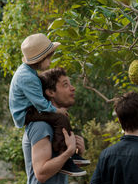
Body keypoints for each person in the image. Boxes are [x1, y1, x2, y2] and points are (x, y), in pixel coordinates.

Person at [21, 67, 85, 184]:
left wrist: (74, 153)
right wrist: (68, 153)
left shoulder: (52, 125)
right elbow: (41, 172)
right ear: (50, 92)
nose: (72, 88)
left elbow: (61, 167)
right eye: (65, 85)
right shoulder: (41, 126)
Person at [9, 33, 87, 176]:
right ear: (41, 58)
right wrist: (57, 111)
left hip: (30, 108)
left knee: (61, 118)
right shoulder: (27, 77)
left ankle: (69, 154)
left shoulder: (30, 73)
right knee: (60, 118)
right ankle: (63, 154)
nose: (51, 62)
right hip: (26, 112)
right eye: (49, 58)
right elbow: (41, 104)